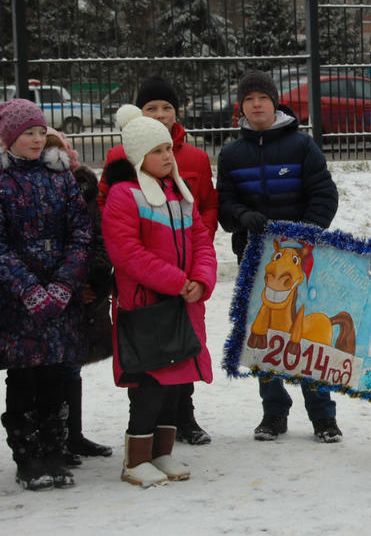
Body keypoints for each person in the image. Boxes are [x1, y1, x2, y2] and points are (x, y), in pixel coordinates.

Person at [217, 70, 342, 443]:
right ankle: (273, 412)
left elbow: (324, 195)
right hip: (256, 260)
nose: (256, 105)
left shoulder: (301, 146)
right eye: (249, 99)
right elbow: (224, 205)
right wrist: (242, 216)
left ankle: (323, 415)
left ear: (275, 103)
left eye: (263, 98)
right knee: (263, 335)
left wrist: (303, 235)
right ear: (241, 106)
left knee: (307, 335)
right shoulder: (231, 154)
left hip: (302, 261)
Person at [98, 75, 218, 445]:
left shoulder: (179, 191)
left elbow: (201, 237)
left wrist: (201, 278)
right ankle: (138, 457)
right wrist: (176, 281)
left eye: (169, 149)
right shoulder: (124, 194)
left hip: (184, 299)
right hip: (148, 302)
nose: (168, 157)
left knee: (179, 375)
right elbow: (128, 252)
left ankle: (163, 451)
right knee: (149, 382)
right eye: (158, 151)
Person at [0, 99, 91, 490]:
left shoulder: (61, 178)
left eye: (41, 132)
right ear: (9, 138)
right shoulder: (3, 182)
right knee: (24, 379)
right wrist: (28, 289)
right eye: (28, 133)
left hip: (59, 298)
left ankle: (54, 451)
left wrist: (63, 284)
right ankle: (28, 457)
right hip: (18, 302)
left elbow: (81, 233)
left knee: (54, 378)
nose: (37, 139)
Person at [43, 129, 114, 464]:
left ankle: (72, 435)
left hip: (81, 290)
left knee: (71, 367)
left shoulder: (82, 185)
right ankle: (48, 442)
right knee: (41, 371)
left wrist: (93, 280)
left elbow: (96, 237)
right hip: (43, 291)